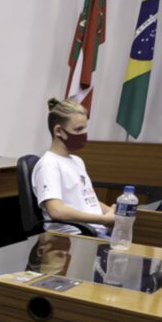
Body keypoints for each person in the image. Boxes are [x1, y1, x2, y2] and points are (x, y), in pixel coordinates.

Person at [31, 98, 115, 235]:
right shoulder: (49, 164)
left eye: (85, 128)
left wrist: (110, 212)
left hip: (95, 231)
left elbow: (86, 200)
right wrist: (103, 220)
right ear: (59, 131)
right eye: (78, 129)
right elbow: (56, 211)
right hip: (74, 237)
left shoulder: (77, 161)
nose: (84, 134)